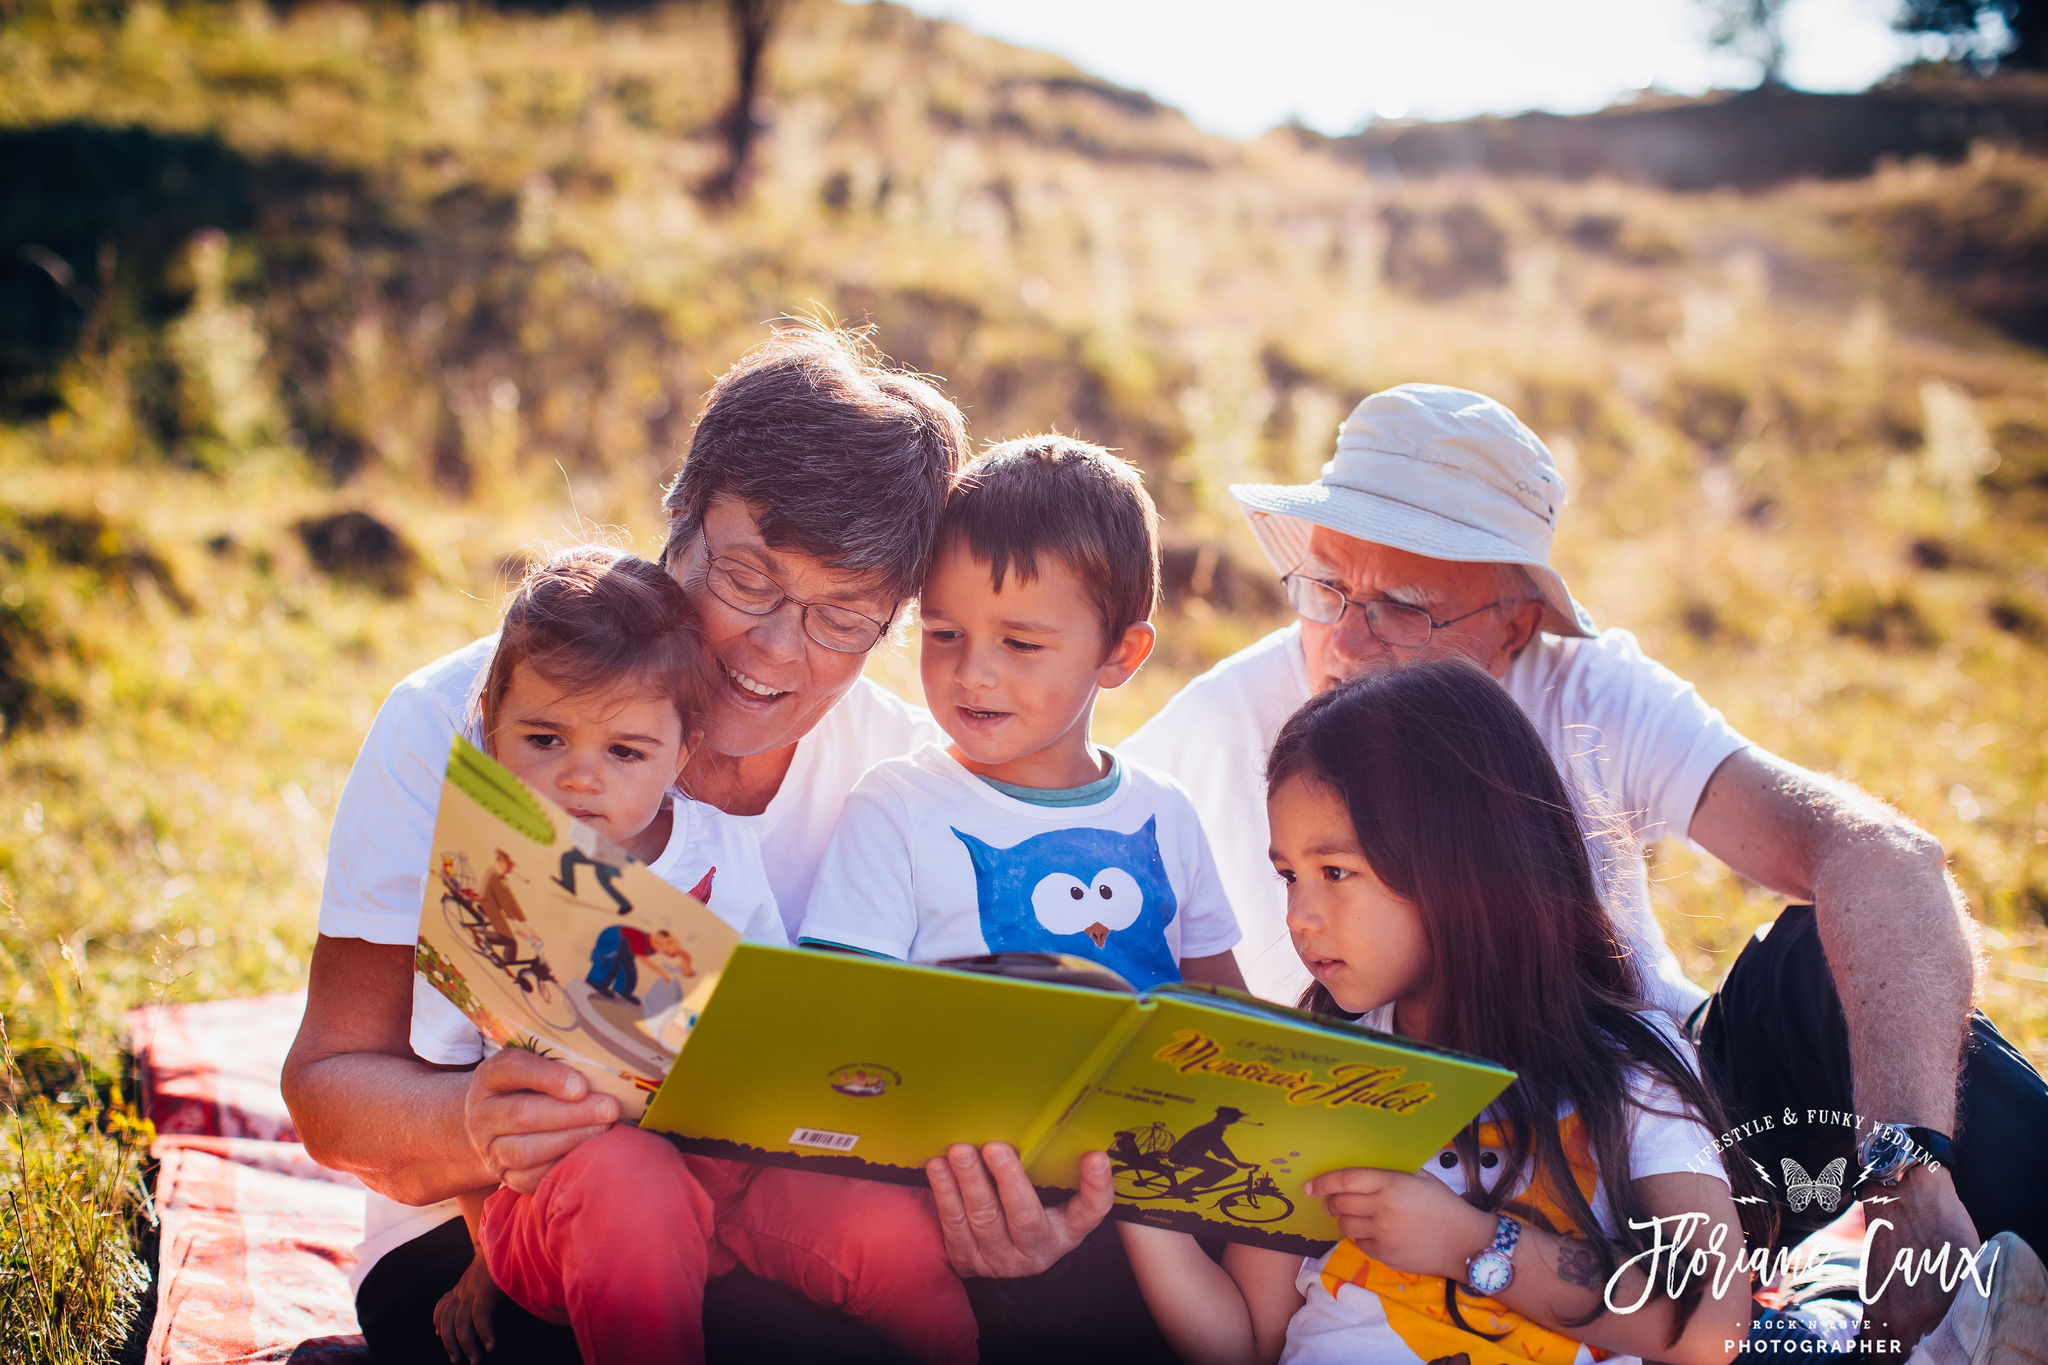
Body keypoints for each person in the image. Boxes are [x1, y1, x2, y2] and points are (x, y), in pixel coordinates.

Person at [1119, 381, 2048, 1347]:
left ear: (1514, 625)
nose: (1347, 640)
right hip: (1360, 1135)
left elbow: (1882, 856)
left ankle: (1930, 1270)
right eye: (1327, 587)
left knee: (1825, 957)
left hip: (1618, 1117)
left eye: (1402, 605)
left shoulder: (1588, 696)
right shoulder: (1227, 723)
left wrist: (1907, 1166)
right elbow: (1061, 824)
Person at [283, 324, 1011, 1363]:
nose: (774, 649)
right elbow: (330, 1091)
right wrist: (471, 1122)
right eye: (747, 579)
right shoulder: (472, 717)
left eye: (842, 616)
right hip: (493, 1241)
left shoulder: (896, 771)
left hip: (764, 1217)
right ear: (678, 522)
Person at [1122, 659, 1762, 1365]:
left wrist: (1472, 1242)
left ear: (1460, 862)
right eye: (1288, 875)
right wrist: (1133, 1192)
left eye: (1335, 872)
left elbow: (1712, 1324)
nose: (1299, 916)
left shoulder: (1626, 1069)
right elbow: (1247, 1342)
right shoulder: (1310, 1074)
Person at [426, 544, 972, 1365]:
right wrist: (483, 1255)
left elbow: (770, 1009)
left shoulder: (717, 848)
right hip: (577, 1194)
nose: (579, 779)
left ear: (680, 754)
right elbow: (450, 1095)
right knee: (630, 1180)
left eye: (625, 752)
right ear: (491, 729)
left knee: (883, 1225)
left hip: (734, 1177)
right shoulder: (480, 869)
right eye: (543, 738)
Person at [799, 436, 1244, 993]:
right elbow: (835, 1010)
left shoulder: (1165, 812)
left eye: (1021, 644)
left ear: (1119, 654)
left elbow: (1229, 1016)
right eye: (944, 634)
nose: (973, 673)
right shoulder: (896, 810)